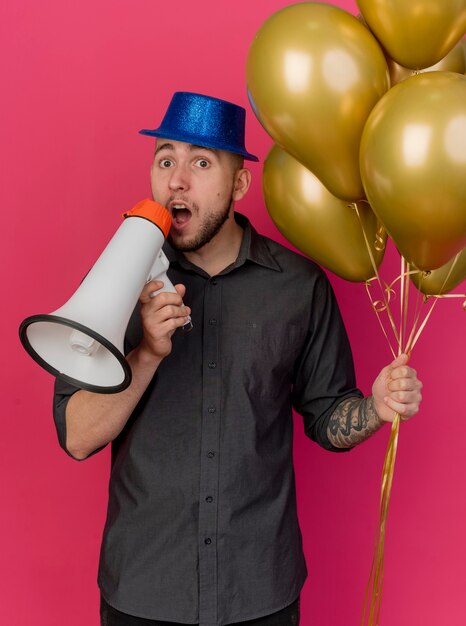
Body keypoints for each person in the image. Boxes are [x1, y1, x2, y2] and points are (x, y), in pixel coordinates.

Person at [53, 92, 423, 626]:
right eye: (165, 160)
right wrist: (149, 354)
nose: (177, 181)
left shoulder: (298, 287)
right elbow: (77, 436)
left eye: (201, 163)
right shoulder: (112, 286)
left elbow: (328, 417)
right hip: (144, 590)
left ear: (240, 184)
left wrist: (375, 408)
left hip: (259, 592)